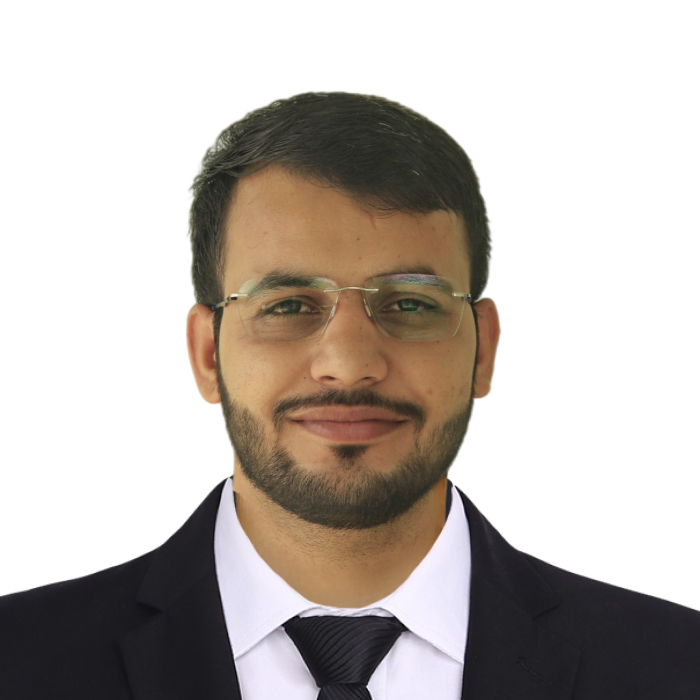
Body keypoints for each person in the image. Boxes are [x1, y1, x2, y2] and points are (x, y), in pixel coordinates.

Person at [0, 91, 698, 699]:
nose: (349, 364)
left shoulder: (677, 667)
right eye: (288, 305)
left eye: (411, 304)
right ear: (208, 354)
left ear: (483, 349)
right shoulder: (18, 661)